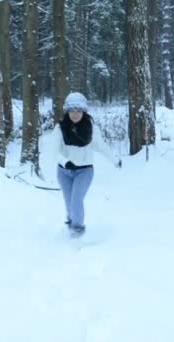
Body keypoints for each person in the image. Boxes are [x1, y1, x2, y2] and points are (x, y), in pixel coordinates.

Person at [54, 92, 122, 237]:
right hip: (64, 172)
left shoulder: (91, 127)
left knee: (76, 200)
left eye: (78, 110)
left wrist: (114, 159)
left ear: (83, 111)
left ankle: (77, 230)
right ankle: (71, 222)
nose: (75, 114)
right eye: (72, 110)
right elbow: (55, 151)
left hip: (84, 171)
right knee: (69, 202)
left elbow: (100, 146)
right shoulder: (60, 128)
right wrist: (66, 162)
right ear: (68, 111)